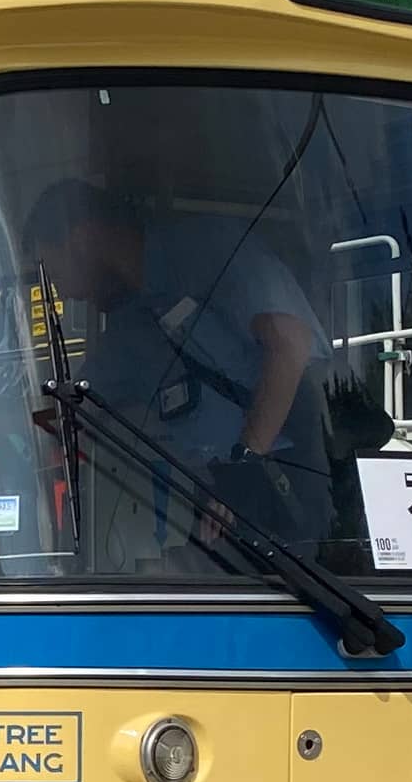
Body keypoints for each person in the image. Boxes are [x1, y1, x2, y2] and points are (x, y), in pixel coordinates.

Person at [21, 176, 335, 547]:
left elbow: (290, 343)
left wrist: (246, 465)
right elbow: (71, 407)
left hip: (283, 485)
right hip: (216, 498)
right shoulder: (128, 329)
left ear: (84, 239)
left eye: (57, 274)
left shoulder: (206, 250)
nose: (65, 294)